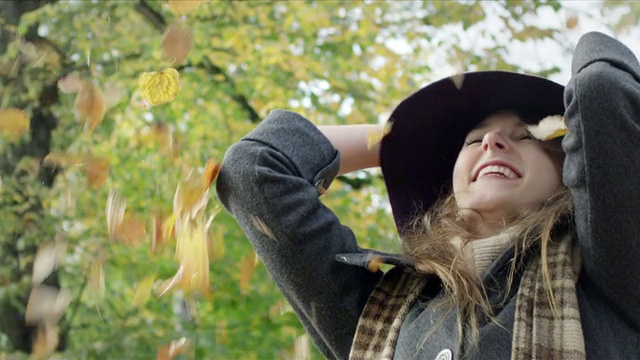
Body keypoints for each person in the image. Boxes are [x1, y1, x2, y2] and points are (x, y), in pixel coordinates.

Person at [216, 31, 640, 359]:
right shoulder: (381, 312)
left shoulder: (609, 265)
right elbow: (252, 172)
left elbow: (601, 86)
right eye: (473, 142)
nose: (492, 140)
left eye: (527, 136)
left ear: (569, 169)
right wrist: (395, 142)